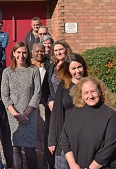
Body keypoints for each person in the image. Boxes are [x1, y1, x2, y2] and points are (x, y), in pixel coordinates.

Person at [60, 76, 116, 169]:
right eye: (86, 92)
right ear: (81, 95)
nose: (90, 96)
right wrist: (72, 164)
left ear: (100, 92)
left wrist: (91, 168)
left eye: (93, 91)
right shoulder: (75, 112)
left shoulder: (110, 115)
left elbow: (110, 147)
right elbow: (64, 139)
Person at [1, 42, 41, 169]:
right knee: (15, 150)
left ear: (28, 54)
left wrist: (26, 114)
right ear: (13, 53)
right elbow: (5, 96)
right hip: (13, 116)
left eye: (24, 52)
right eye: (18, 52)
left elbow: (37, 93)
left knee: (30, 151)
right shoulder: (7, 72)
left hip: (30, 115)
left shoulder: (33, 70)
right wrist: (16, 115)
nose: (21, 55)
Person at [48, 53, 89, 169]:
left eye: (79, 67)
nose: (77, 71)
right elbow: (56, 113)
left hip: (84, 138)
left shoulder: (89, 85)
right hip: (64, 139)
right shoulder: (63, 86)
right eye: (74, 68)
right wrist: (52, 140)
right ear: (68, 70)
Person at [41, 40, 72, 168]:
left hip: (67, 109)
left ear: (66, 49)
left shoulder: (71, 65)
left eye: (61, 49)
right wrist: (49, 101)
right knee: (49, 138)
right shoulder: (51, 67)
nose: (59, 52)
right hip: (52, 110)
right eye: (56, 50)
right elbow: (45, 89)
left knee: (64, 138)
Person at [31, 43, 52, 168]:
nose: (40, 53)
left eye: (42, 51)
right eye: (37, 51)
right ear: (32, 53)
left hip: (43, 105)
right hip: (30, 106)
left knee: (44, 133)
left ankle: (45, 161)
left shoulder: (48, 67)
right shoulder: (29, 67)